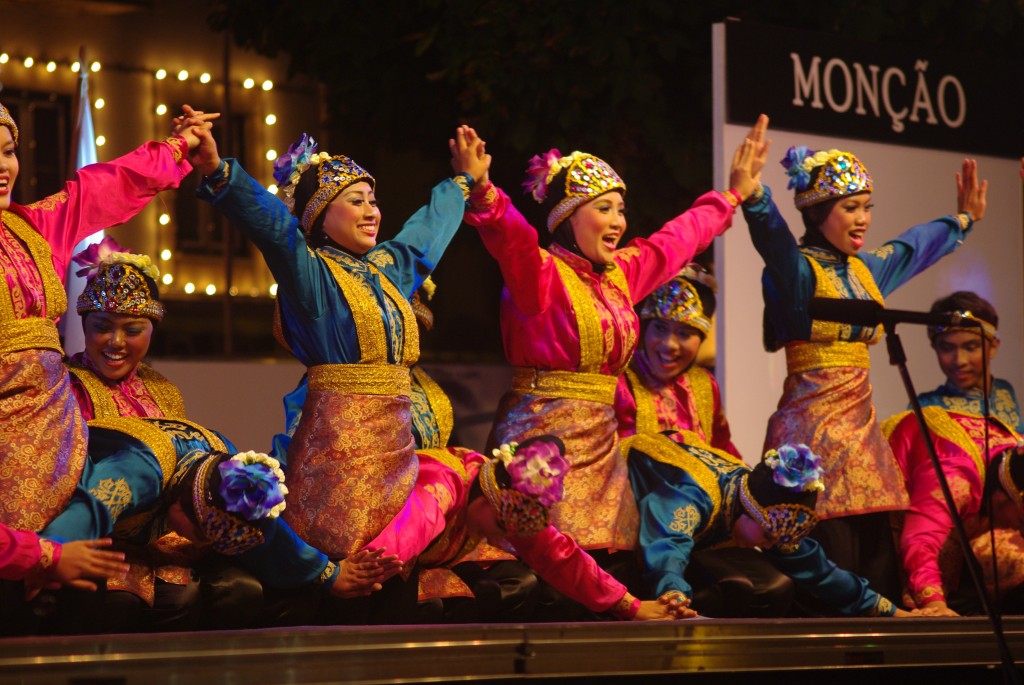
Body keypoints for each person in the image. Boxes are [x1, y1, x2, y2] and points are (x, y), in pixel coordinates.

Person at [459, 122, 766, 593]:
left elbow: (677, 239)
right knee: (533, 577)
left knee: (611, 571)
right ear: (569, 217)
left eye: (621, 209)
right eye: (604, 209)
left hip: (602, 455)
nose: (619, 221)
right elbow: (510, 235)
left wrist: (732, 196)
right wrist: (483, 190)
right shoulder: (540, 273)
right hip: (542, 443)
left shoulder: (622, 273)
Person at [189, 116, 489, 572]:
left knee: (398, 579)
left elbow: (424, 237)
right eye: (356, 201)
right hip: (336, 461)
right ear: (320, 216)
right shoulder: (311, 275)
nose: (372, 211)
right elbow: (273, 229)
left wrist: (462, 182)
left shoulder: (387, 270)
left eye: (373, 201)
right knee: (345, 578)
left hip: (396, 460)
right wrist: (217, 170)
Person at [741, 114, 988, 600]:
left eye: (867, 207)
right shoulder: (799, 273)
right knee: (825, 571)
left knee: (876, 569)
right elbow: (774, 242)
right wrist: (756, 199)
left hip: (862, 442)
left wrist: (961, 220)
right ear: (817, 213)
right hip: (809, 440)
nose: (863, 219)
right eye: (851, 207)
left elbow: (910, 248)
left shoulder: (865, 271)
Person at [0, 100, 213, 533]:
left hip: (54, 426)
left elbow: (101, 188)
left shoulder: (30, 230)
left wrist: (178, 146)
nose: (3, 167)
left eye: (7, 151)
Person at [364, 435, 695, 621]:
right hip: (367, 559)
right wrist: (356, 573)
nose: (499, 539)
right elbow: (405, 531)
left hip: (410, 567)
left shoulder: (507, 502)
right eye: (498, 527)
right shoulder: (447, 481)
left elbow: (558, 554)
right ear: (484, 499)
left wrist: (631, 606)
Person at [629, 434, 911, 617]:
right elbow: (667, 551)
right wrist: (675, 600)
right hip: (625, 502)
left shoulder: (770, 518)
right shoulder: (690, 498)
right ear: (750, 511)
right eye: (767, 535)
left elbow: (820, 572)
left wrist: (896, 614)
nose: (770, 545)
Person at [884, 291, 1024, 616]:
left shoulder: (1006, 395)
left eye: (970, 347)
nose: (958, 360)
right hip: (946, 531)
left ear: (993, 346)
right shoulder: (929, 412)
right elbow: (925, 519)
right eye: (947, 348)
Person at [614, 264, 740, 459]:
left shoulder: (705, 384)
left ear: (701, 338)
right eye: (660, 328)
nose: (669, 344)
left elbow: (722, 452)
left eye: (684, 333)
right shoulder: (619, 382)